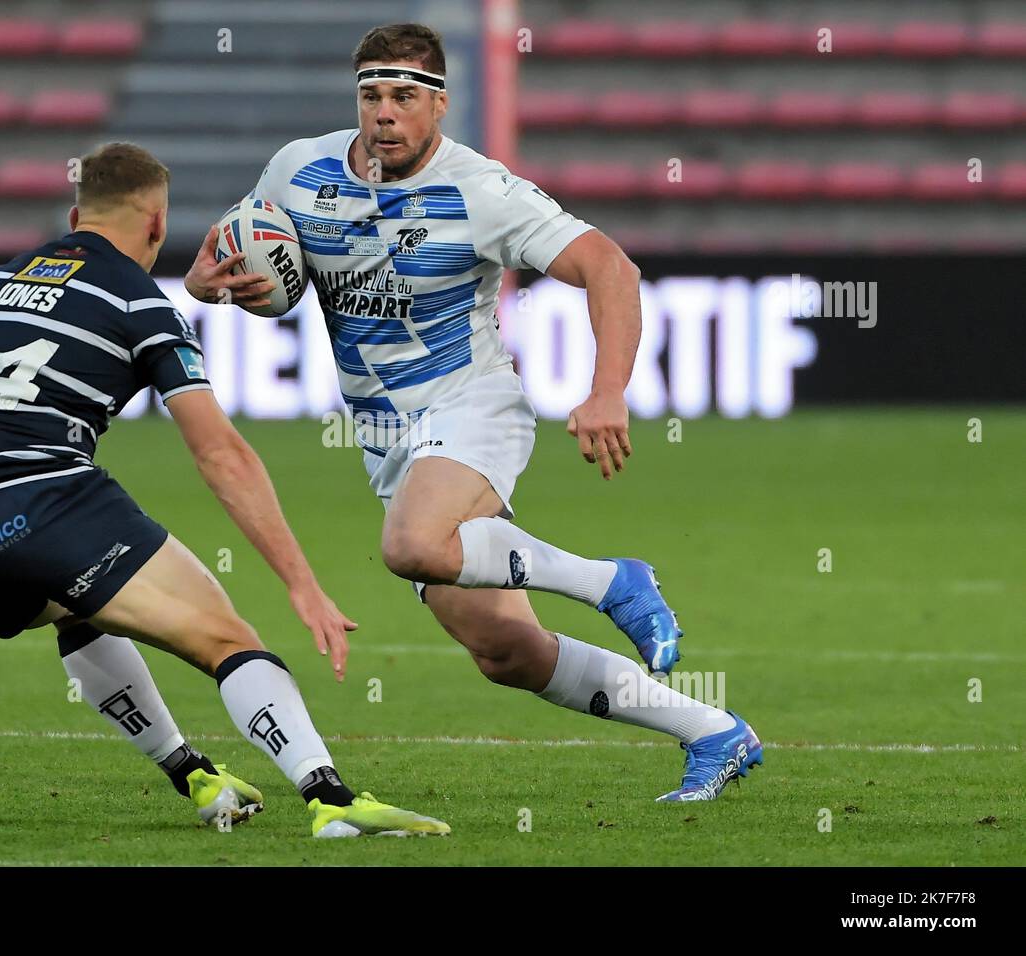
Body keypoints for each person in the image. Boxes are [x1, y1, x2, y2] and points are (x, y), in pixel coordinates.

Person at [183, 25, 762, 801]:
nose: (383, 113)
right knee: (506, 652)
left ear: (440, 104)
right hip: (387, 438)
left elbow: (608, 266)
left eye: (403, 97)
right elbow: (234, 261)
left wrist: (606, 391)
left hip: (473, 403)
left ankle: (612, 580)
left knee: (413, 543)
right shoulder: (298, 170)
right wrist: (207, 284)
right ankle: (713, 732)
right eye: (370, 96)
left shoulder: (481, 190)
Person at [0, 142, 450, 835]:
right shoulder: (138, 302)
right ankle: (332, 802)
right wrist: (301, 582)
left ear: (77, 213)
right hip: (45, 501)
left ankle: (196, 777)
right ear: (158, 227)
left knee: (77, 609)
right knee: (228, 641)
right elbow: (221, 454)